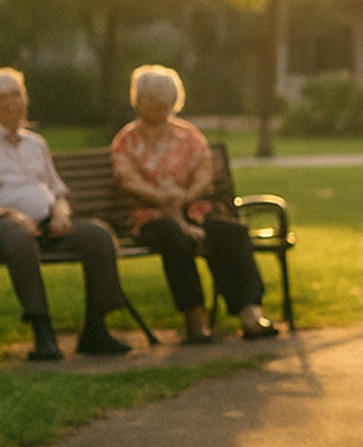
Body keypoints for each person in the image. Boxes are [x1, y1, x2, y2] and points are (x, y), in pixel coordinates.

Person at [0, 68, 132, 360]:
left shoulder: (36, 143)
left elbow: (57, 191)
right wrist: (7, 213)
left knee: (97, 234)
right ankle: (42, 331)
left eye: (16, 95)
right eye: (2, 97)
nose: (12, 102)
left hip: (48, 225)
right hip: (0, 229)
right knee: (18, 236)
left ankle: (96, 329)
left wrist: (60, 213)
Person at [109, 65, 278, 343]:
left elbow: (205, 175)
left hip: (195, 213)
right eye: (148, 98)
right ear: (137, 100)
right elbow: (127, 180)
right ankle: (194, 316)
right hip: (151, 218)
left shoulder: (188, 136)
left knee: (231, 233)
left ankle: (250, 312)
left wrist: (183, 198)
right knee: (174, 237)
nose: (155, 105)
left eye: (162, 99)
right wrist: (164, 199)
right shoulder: (126, 140)